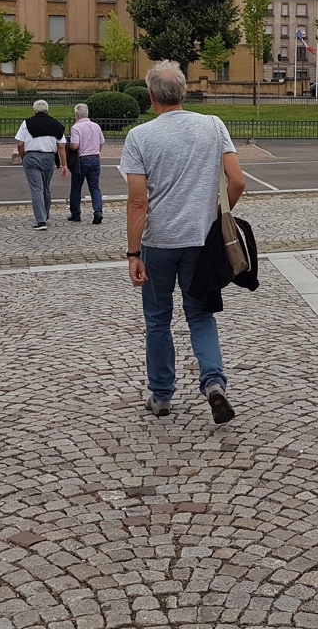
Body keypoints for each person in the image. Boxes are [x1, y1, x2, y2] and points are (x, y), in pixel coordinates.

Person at [122, 60, 246, 423]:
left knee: (158, 318)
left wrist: (133, 252)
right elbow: (238, 181)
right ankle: (213, 382)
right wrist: (216, 215)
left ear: (151, 97)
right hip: (201, 240)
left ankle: (161, 395)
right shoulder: (213, 125)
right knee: (200, 314)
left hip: (158, 242)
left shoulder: (139, 137)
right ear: (184, 93)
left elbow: (137, 202)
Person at [14, 99, 68, 230]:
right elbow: (61, 146)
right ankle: (46, 215)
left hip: (31, 157)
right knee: (46, 188)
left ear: (35, 110)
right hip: (49, 157)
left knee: (36, 189)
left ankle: (41, 221)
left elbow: (20, 144)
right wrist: (64, 165)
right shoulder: (56, 124)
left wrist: (23, 157)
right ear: (47, 110)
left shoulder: (27, 123)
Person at [68, 103, 106, 224]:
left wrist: (69, 145)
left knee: (76, 188)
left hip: (81, 160)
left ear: (76, 115)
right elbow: (101, 142)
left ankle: (76, 213)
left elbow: (75, 146)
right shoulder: (96, 126)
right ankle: (98, 211)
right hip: (95, 158)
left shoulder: (76, 128)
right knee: (94, 187)